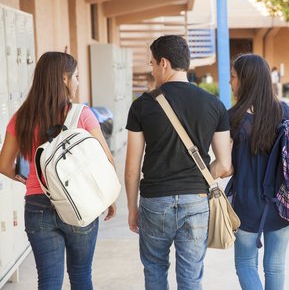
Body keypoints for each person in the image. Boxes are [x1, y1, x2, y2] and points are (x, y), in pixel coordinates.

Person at [0, 52, 117, 290]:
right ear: (64, 79)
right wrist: (108, 196)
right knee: (81, 275)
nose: (77, 82)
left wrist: (27, 180)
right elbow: (106, 159)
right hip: (80, 202)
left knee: (49, 281)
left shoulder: (21, 117)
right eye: (75, 76)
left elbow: (3, 165)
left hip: (37, 206)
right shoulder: (81, 114)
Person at [124, 35, 232, 290]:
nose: (151, 70)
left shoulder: (142, 106)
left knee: (154, 269)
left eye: (151, 64)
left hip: (154, 201)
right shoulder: (214, 105)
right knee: (191, 276)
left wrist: (132, 209)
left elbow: (131, 169)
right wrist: (200, 177)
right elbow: (224, 164)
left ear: (164, 63)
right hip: (196, 200)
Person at [227, 54, 289, 290]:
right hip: (283, 203)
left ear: (246, 81)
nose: (230, 82)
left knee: (245, 263)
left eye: (233, 77)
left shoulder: (233, 118)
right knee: (275, 265)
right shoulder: (286, 113)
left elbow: (226, 167)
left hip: (245, 205)